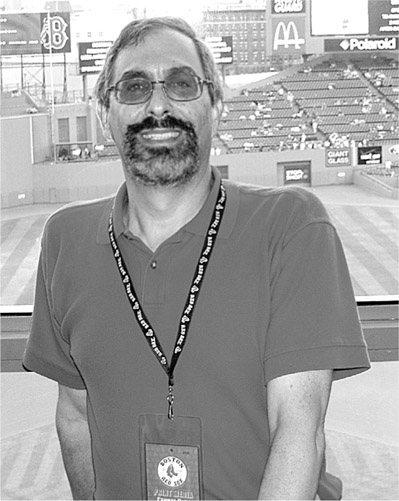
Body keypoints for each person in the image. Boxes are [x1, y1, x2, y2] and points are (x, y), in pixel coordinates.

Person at [23, 16, 370, 501]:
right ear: (106, 112)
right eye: (135, 86)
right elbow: (75, 416)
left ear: (216, 105)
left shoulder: (292, 225)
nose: (159, 104)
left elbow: (299, 428)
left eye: (182, 84)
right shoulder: (64, 238)